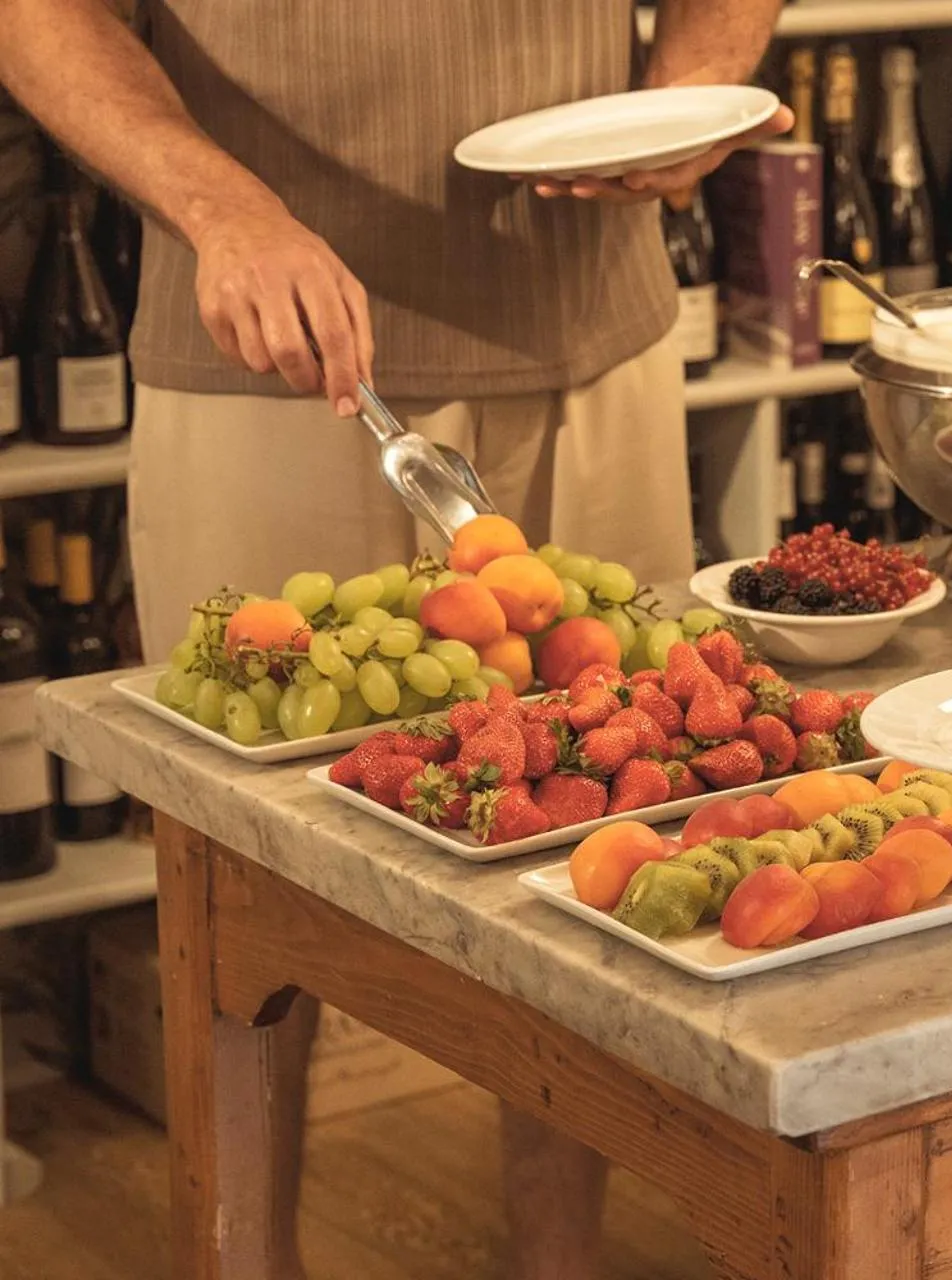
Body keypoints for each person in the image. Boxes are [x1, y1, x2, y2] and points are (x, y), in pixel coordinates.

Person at [0, 1, 787, 1276]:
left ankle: (560, 1265)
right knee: (250, 876)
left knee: (603, 839)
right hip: (266, 350)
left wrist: (699, 77)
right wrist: (219, 206)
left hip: (590, 324)